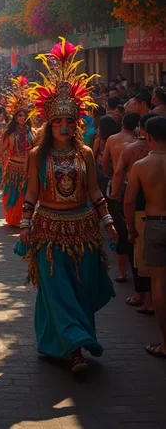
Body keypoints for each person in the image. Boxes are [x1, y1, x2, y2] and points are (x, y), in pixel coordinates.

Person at [15, 39, 116, 375]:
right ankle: (74, 350)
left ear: (77, 124)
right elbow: (31, 192)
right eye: (57, 121)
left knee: (81, 289)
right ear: (49, 123)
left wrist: (108, 221)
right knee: (57, 290)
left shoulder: (85, 154)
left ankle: (65, 341)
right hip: (49, 231)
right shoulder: (37, 155)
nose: (63, 126)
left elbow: (93, 190)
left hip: (83, 229)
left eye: (69, 121)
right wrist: (26, 225)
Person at [125, 116, 166, 359]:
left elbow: (129, 201)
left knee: (159, 284)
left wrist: (131, 229)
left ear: (148, 137)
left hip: (154, 224)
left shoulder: (141, 165)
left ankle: (164, 342)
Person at [113, 113, 156, 313]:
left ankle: (145, 298)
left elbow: (118, 175)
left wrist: (129, 227)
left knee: (141, 258)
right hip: (153, 211)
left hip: (141, 210)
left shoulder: (133, 153)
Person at [103, 112, 140, 283]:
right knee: (133, 229)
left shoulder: (112, 139)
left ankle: (120, 271)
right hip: (134, 186)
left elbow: (105, 163)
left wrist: (112, 178)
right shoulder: (138, 144)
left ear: (123, 123)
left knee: (120, 229)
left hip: (117, 186)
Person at [0, 76, 34, 227]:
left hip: (28, 168)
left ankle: (25, 219)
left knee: (27, 194)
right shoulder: (10, 134)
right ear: (15, 117)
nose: (22, 118)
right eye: (19, 115)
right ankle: (14, 219)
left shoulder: (33, 132)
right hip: (13, 168)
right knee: (13, 194)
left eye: (24, 115)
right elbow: (2, 148)